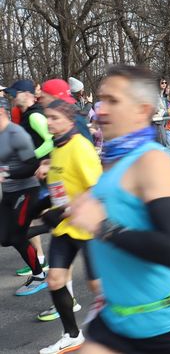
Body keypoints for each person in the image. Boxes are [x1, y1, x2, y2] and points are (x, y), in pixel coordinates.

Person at [67, 64, 170, 353]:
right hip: (116, 320)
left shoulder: (152, 161)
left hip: (166, 323)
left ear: (141, 111)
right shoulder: (111, 161)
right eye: (101, 99)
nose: (101, 110)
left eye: (113, 101)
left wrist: (103, 226)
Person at [35, 99, 103, 353]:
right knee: (54, 280)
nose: (49, 122)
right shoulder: (59, 145)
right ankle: (72, 335)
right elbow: (63, 177)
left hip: (88, 226)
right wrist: (47, 166)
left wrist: (65, 210)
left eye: (54, 118)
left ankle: (131, 332)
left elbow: (97, 189)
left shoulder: (80, 147)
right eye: (47, 118)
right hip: (65, 227)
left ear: (69, 120)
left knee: (97, 287)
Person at [0, 97, 48, 295]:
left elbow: (32, 166)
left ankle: (38, 275)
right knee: (4, 238)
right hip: (10, 192)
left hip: (26, 190)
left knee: (16, 236)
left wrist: (6, 173)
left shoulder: (16, 134)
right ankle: (49, 226)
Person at [6, 79, 52, 276]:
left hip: (45, 172)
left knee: (32, 218)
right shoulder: (25, 115)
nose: (12, 96)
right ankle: (39, 260)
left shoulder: (34, 116)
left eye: (14, 93)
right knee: (31, 217)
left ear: (26, 94)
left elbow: (51, 141)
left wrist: (32, 156)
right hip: (37, 172)